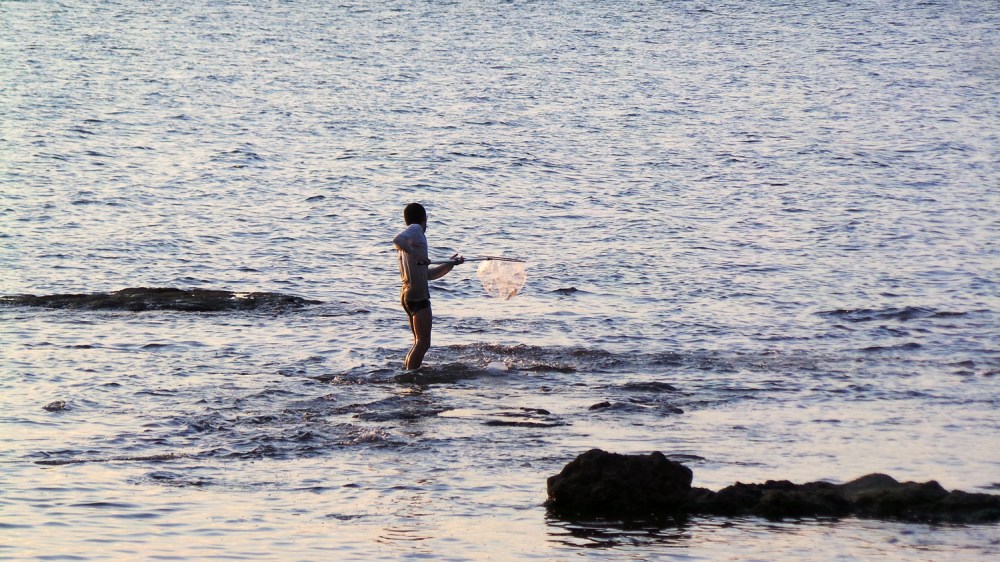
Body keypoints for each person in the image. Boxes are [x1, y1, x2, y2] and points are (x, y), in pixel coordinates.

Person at [393, 203, 463, 370]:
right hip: (417, 295)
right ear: (425, 219)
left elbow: (428, 275)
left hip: (407, 295)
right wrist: (417, 254)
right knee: (423, 343)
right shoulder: (416, 230)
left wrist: (450, 264)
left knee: (419, 342)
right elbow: (396, 239)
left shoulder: (410, 241)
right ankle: (411, 378)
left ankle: (409, 374)